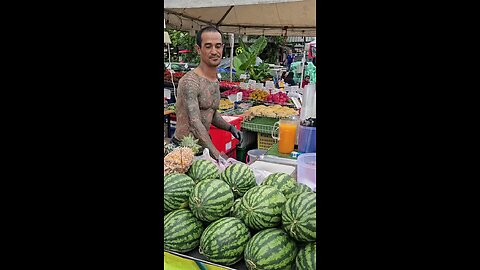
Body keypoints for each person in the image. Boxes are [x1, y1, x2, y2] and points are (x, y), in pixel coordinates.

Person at [172, 26, 242, 160]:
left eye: (218, 46)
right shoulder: (190, 82)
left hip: (202, 149)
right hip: (183, 150)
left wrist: (230, 128)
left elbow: (211, 112)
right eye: (208, 46)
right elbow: (195, 122)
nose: (214, 51)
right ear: (199, 49)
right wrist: (217, 155)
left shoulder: (214, 79)